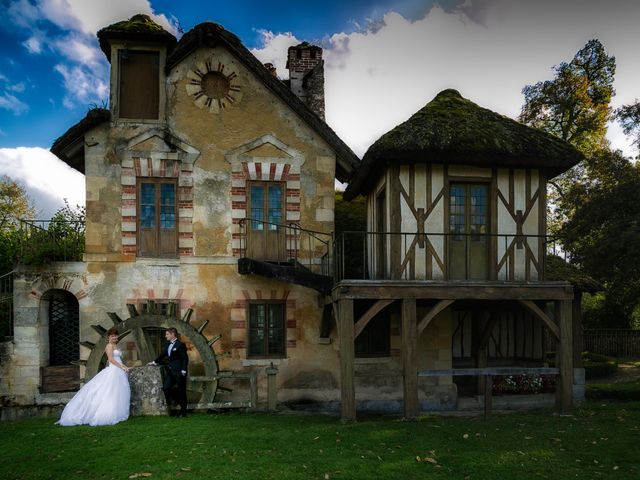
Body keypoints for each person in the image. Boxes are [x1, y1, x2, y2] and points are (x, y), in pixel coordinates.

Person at [57, 327, 130, 426]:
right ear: (109, 337)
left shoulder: (115, 346)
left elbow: (118, 359)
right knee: (110, 391)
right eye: (112, 336)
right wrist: (121, 367)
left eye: (115, 335)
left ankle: (117, 411)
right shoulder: (109, 346)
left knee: (118, 392)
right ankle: (106, 413)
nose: (114, 337)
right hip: (114, 370)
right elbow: (111, 360)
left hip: (118, 370)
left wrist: (125, 367)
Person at [148, 327, 189, 417]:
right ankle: (178, 402)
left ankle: (183, 412)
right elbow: (162, 355)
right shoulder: (167, 344)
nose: (165, 336)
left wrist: (183, 370)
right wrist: (154, 362)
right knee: (166, 388)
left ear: (172, 334)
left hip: (179, 371)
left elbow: (185, 358)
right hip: (170, 371)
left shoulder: (180, 345)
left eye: (167, 334)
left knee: (182, 391)